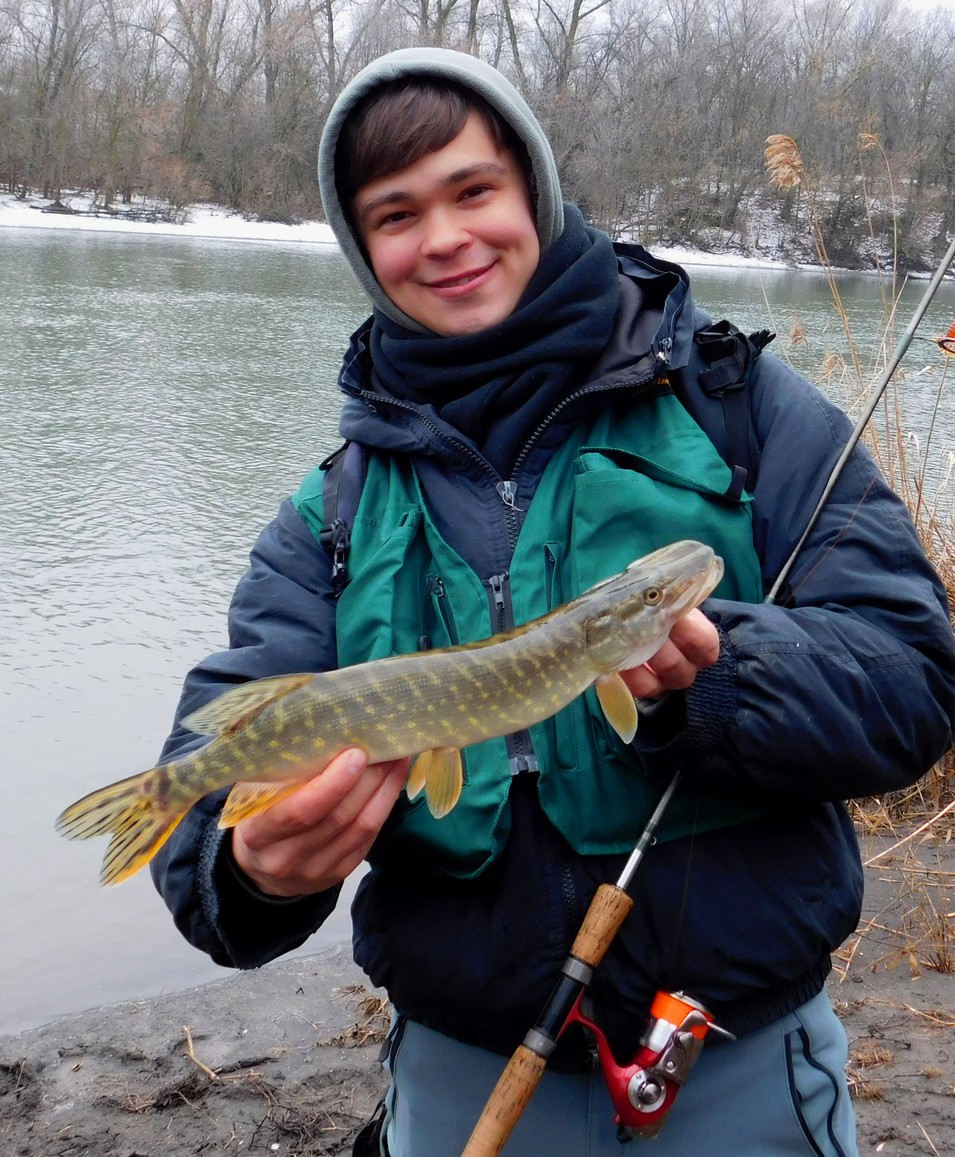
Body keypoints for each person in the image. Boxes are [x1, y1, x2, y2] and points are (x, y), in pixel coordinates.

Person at [151, 47, 955, 1156]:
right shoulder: (332, 510)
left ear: (532, 186)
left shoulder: (743, 411)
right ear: (363, 248)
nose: (445, 237)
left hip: (738, 1063)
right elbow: (215, 778)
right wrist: (245, 870)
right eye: (396, 214)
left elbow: (915, 679)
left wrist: (721, 678)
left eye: (473, 190)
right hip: (460, 1072)